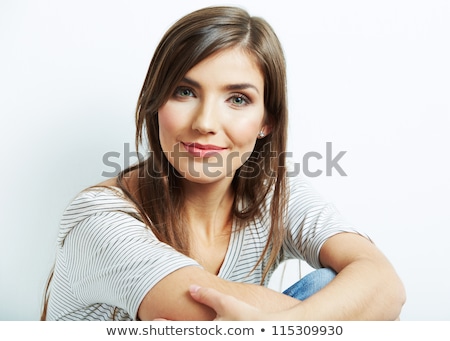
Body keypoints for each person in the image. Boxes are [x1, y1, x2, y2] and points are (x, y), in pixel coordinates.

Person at [41, 6, 405, 321]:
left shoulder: (273, 196)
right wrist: (346, 316)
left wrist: (304, 319)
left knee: (336, 286)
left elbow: (385, 285)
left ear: (267, 122)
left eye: (237, 99)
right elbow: (208, 315)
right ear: (155, 103)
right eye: (185, 91)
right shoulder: (99, 219)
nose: (205, 123)